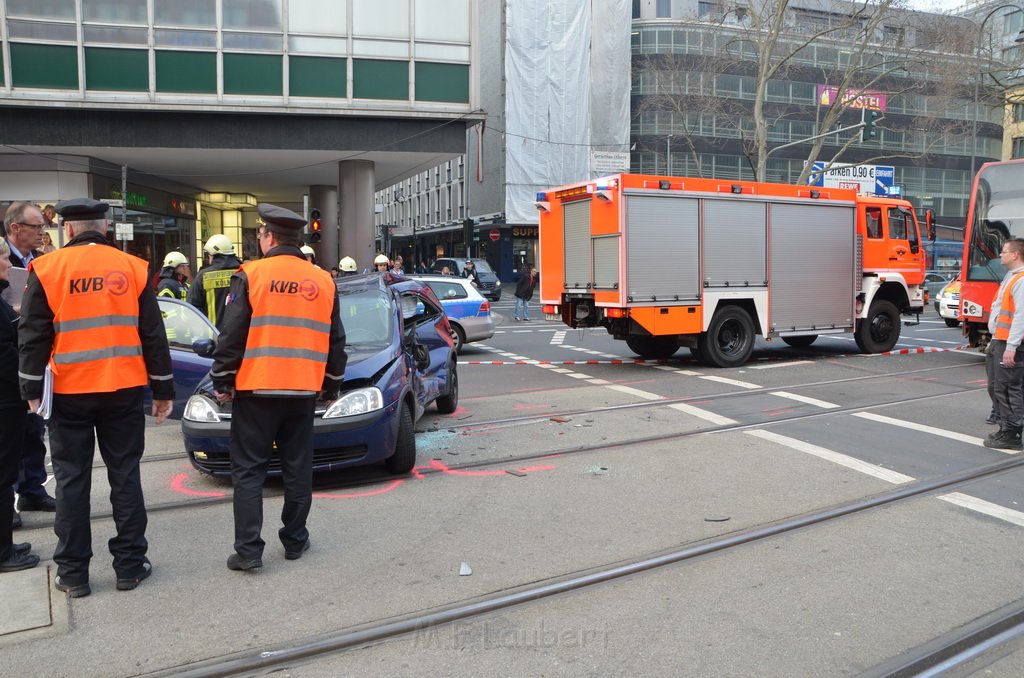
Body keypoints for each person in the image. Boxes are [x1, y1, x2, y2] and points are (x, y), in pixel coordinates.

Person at [18, 198, 175, 598]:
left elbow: (34, 335)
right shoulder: (133, 268)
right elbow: (153, 335)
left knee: (71, 480)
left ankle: (72, 574)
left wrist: (32, 391)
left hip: (69, 391)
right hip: (122, 389)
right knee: (125, 475)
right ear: (104, 227)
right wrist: (162, 390)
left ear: (67, 229)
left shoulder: (47, 269)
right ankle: (129, 566)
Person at [210, 203, 347, 572]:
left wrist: (222, 380)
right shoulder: (322, 279)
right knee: (298, 468)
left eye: (260, 234)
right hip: (303, 391)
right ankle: (295, 541)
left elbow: (231, 335)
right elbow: (336, 341)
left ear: (269, 237)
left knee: (249, 471)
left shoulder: (251, 275)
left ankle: (249, 551)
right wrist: (331, 386)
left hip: (257, 390)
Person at [3, 203, 56, 519]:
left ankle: (32, 491)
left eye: (42, 226)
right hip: (7, 357)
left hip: (32, 357)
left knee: (33, 431)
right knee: (8, 440)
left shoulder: (40, 262)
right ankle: (6, 506)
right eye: (36, 227)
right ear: (15, 228)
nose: (42, 232)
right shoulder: (1, 257)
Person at [0, 238, 40, 572]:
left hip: (7, 400)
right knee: (2, 475)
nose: (6, 263)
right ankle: (3, 552)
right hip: (4, 401)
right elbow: (5, 354)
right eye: (2, 257)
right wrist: (28, 383)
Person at [985, 238, 1024, 451]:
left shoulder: (1021, 280)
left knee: (1008, 388)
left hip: (1009, 343)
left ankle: (1012, 432)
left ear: (1015, 255)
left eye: (1004, 251)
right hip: (1000, 340)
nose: (1000, 254)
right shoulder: (1012, 277)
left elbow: (1021, 316)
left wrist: (1011, 346)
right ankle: (1006, 426)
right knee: (997, 386)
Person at [188, 234, 242, 330]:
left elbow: (192, 308)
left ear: (213, 255)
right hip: (240, 335)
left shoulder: (203, 276)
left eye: (209, 255)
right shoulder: (243, 272)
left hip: (213, 335)